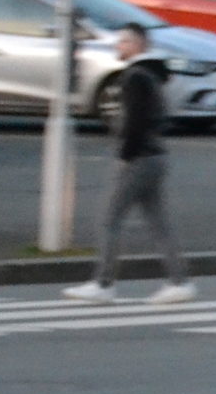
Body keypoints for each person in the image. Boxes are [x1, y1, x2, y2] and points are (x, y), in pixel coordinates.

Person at [65, 26, 193, 304]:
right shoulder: (155, 75)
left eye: (123, 42)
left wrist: (125, 154)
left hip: (139, 157)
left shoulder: (134, 76)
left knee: (109, 219)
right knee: (159, 222)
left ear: (138, 45)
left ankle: (104, 283)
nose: (118, 47)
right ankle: (179, 281)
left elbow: (135, 120)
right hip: (157, 155)